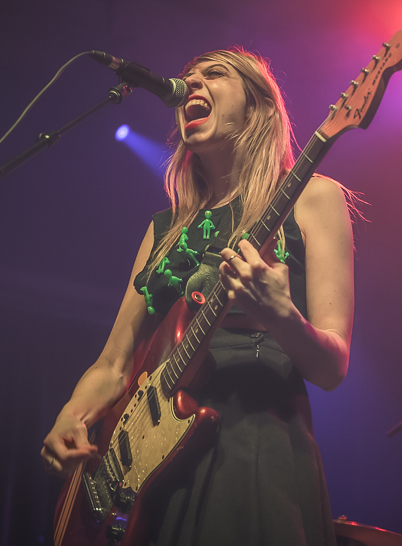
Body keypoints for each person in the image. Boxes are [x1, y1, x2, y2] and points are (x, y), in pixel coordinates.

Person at [41, 47, 354, 545]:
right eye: (187, 78)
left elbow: (332, 367)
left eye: (215, 75)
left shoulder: (313, 197)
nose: (192, 85)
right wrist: (71, 416)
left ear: (259, 108)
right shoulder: (164, 229)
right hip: (150, 458)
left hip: (251, 442)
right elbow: (113, 365)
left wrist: (281, 315)